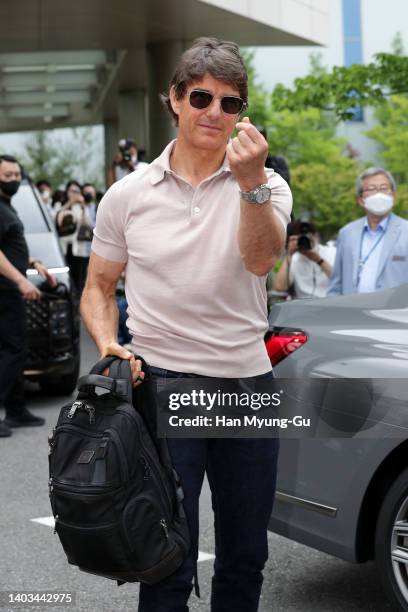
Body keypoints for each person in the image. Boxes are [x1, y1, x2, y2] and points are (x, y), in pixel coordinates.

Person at [80, 37, 292, 611]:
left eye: (230, 103)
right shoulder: (127, 195)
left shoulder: (267, 184)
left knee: (246, 558)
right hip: (164, 384)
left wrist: (250, 185)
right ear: (173, 99)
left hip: (247, 386)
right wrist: (107, 342)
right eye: (202, 97)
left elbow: (259, 261)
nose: (215, 113)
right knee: (164, 557)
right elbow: (98, 288)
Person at [0, 155, 56, 437]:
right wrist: (21, 280)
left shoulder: (7, 207)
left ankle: (16, 409)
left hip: (10, 288)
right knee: (14, 349)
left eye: (15, 175)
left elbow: (9, 246)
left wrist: (33, 262)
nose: (12, 180)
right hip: (5, 290)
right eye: (6, 175)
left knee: (14, 349)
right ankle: (9, 409)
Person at [328, 167, 408, 295]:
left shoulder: (406, 231)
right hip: (352, 311)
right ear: (360, 199)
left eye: (383, 188)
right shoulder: (347, 233)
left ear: (393, 196)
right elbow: (336, 284)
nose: (379, 194)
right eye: (371, 189)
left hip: (393, 313)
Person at [274, 220, 336, 298]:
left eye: (307, 238)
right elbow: (280, 287)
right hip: (303, 305)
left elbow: (339, 280)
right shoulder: (294, 258)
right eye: (300, 239)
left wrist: (319, 260)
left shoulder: (332, 252)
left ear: (316, 236)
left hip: (329, 301)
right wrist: (289, 255)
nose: (304, 241)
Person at [56, 180, 94, 294]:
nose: (74, 193)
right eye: (72, 191)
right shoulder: (60, 204)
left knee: (79, 277)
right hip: (64, 246)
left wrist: (82, 206)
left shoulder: (82, 206)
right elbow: (56, 218)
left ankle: (78, 301)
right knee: (67, 275)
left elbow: (88, 224)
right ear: (67, 191)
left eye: (77, 191)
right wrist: (69, 203)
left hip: (79, 248)